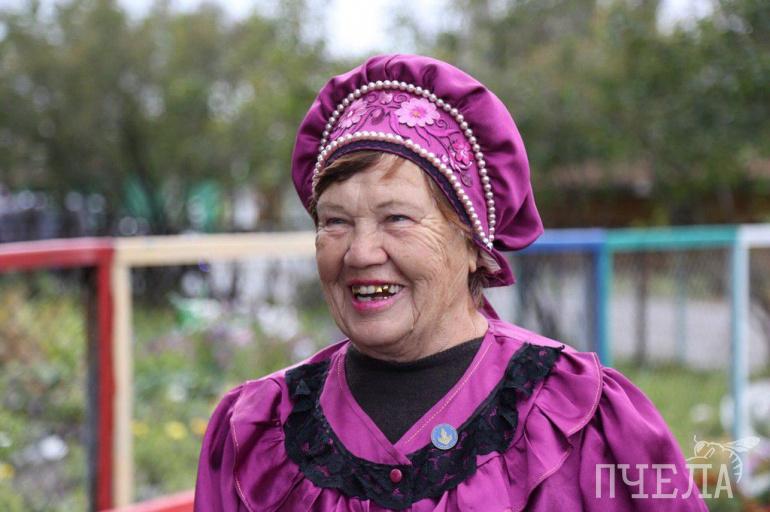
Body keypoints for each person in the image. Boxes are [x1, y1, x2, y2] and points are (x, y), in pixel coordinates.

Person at [195, 54, 707, 511]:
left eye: (397, 218)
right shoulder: (257, 430)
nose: (360, 252)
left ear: (473, 243)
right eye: (335, 221)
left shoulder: (582, 419)